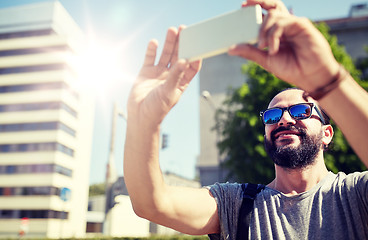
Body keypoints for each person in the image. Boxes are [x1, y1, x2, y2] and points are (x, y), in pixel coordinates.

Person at [123, 0, 368, 239]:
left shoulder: (355, 195)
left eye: (300, 111)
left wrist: (326, 78)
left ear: (327, 133)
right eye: (272, 115)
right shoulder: (236, 205)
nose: (283, 119)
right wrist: (144, 122)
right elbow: (152, 204)